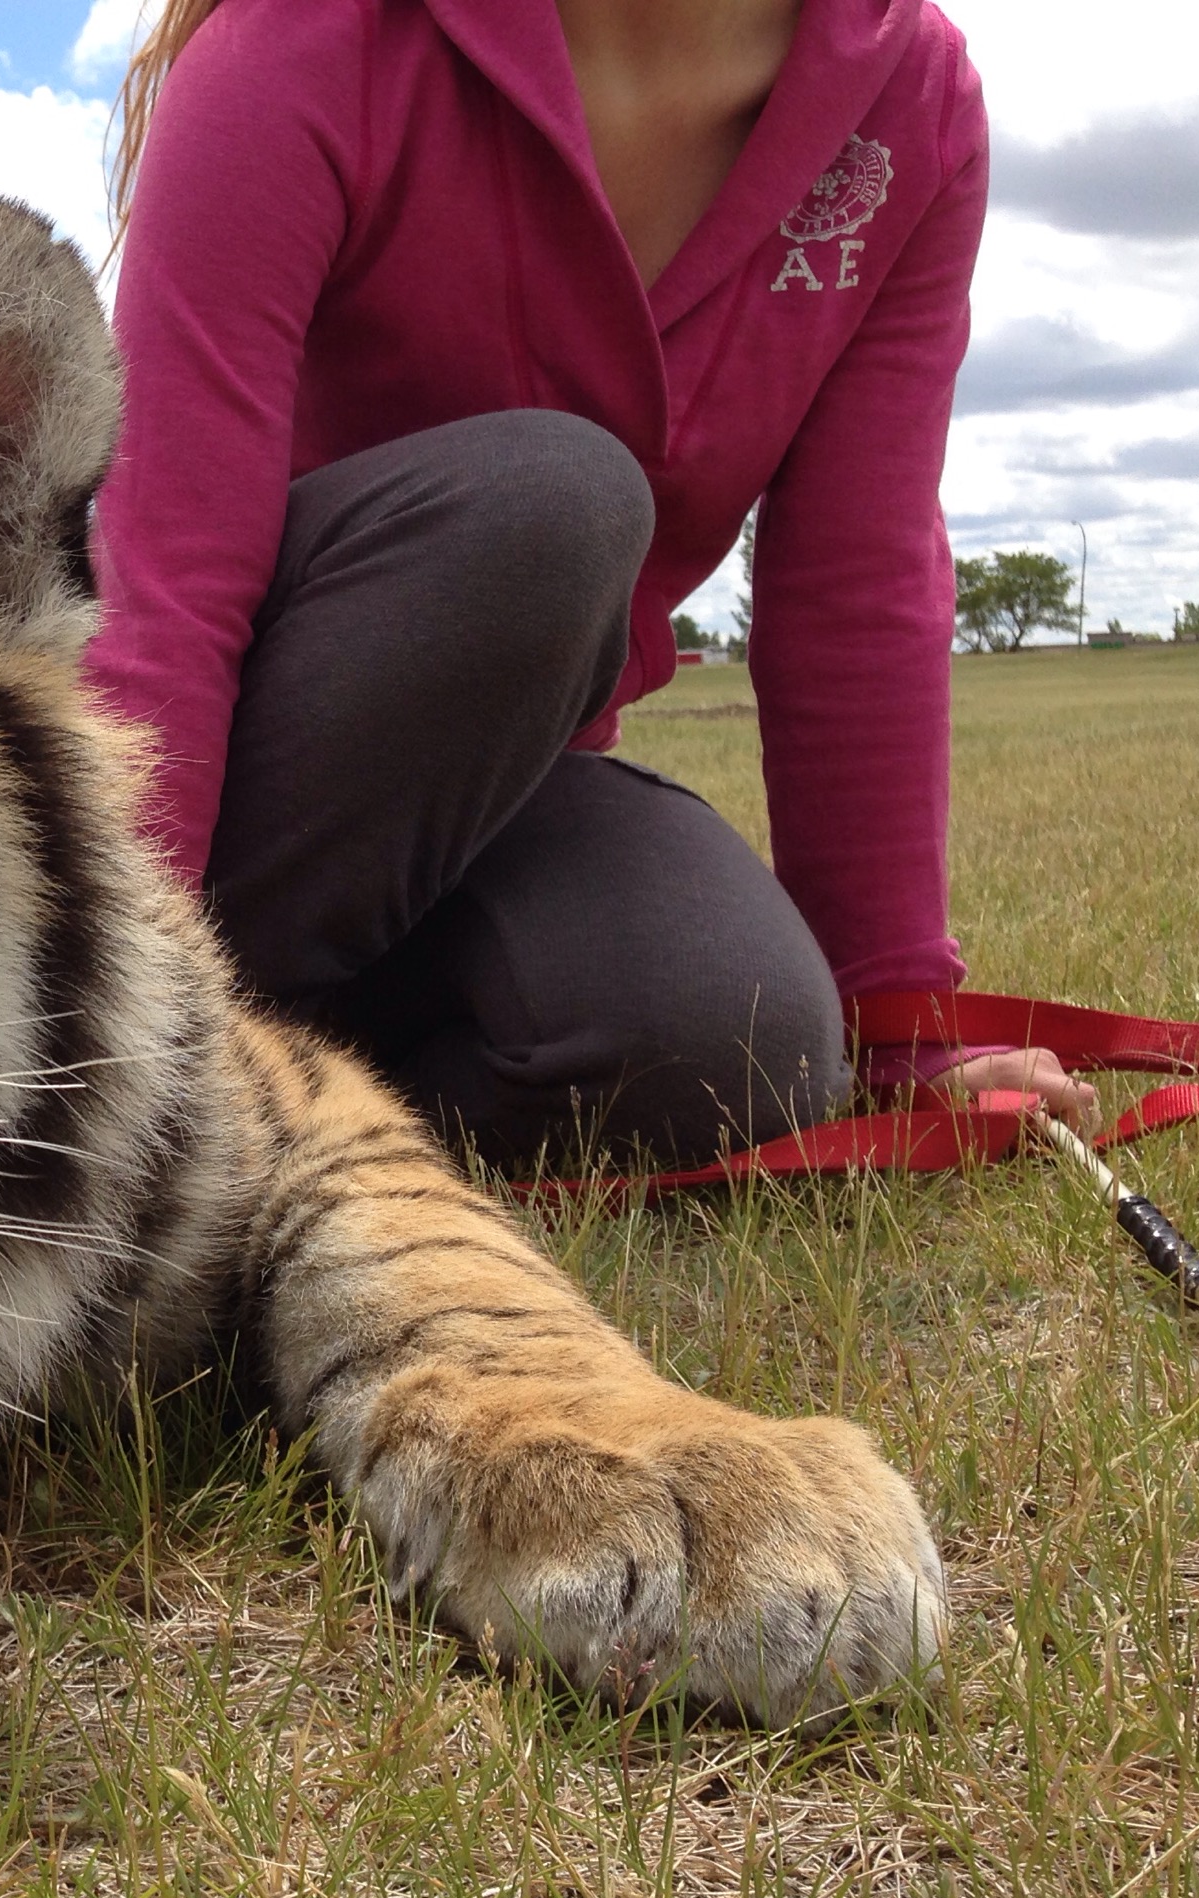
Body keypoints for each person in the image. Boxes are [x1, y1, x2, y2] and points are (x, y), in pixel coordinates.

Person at [86, 0, 1095, 1169]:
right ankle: (167, 1063)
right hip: (253, 777)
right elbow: (164, 575)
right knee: (555, 512)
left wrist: (901, 1030)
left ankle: (298, 1117)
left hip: (508, 791)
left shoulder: (913, 106)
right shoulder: (305, 42)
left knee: (742, 1039)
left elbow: (857, 578)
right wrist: (102, 1022)